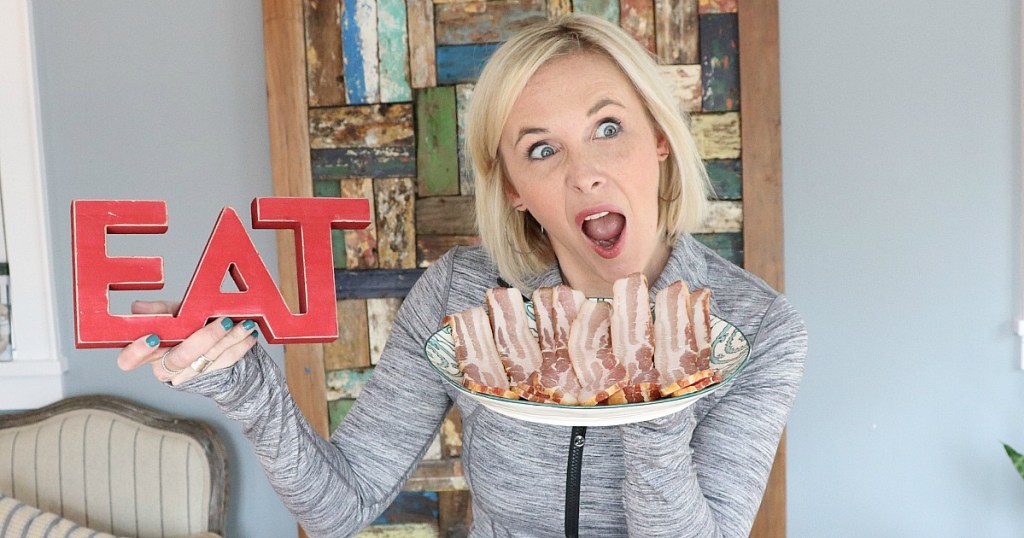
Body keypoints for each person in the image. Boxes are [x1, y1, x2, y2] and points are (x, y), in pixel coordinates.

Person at [118, 14, 806, 537]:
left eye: (607, 127)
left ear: (658, 137)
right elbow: (341, 504)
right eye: (541, 148)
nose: (584, 171)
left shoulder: (760, 329)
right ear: (513, 188)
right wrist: (249, 389)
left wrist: (653, 405)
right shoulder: (461, 294)